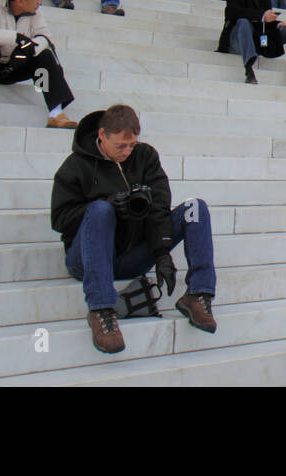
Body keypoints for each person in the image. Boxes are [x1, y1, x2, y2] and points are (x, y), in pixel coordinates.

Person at [51, 104, 218, 354]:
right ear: (102, 135)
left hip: (133, 255)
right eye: (120, 145)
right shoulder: (75, 166)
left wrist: (162, 253)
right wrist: (108, 204)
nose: (127, 151)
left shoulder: (145, 157)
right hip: (86, 259)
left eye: (132, 145)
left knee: (196, 208)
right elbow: (60, 220)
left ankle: (198, 294)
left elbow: (160, 206)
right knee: (99, 210)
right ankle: (101, 310)